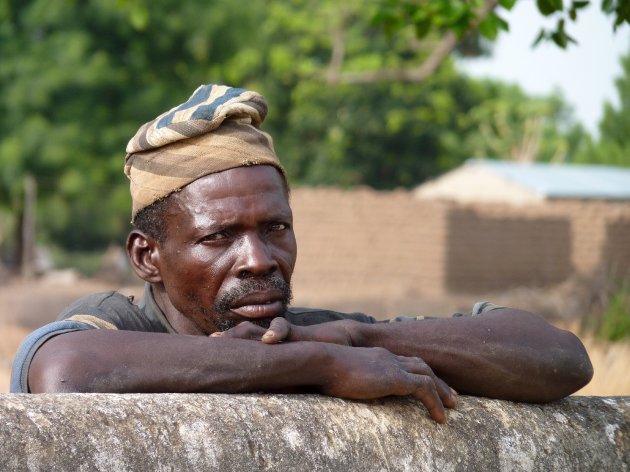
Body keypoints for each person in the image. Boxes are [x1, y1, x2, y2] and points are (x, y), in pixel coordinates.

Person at [11, 84, 593, 423]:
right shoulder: (119, 322)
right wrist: (318, 365)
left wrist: (355, 339)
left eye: (276, 228)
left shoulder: (316, 331)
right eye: (220, 237)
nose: (259, 259)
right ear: (147, 258)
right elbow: (63, 371)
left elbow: (558, 358)